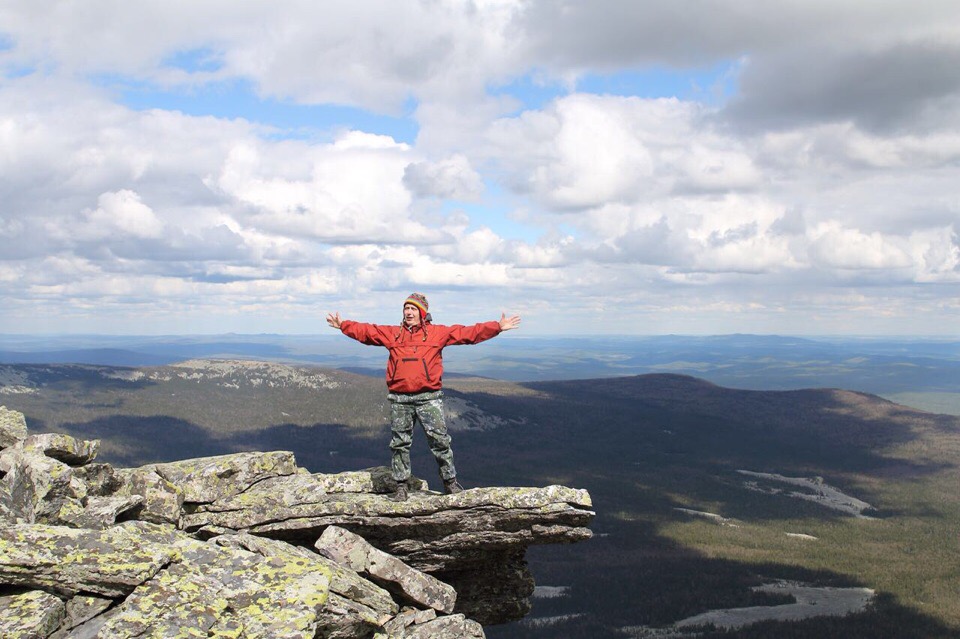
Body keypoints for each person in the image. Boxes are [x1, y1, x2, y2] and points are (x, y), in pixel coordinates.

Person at [326, 293, 521, 501]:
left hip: (429, 397)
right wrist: (343, 325)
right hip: (400, 398)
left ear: (422, 313)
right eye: (406, 309)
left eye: (413, 309)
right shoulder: (393, 334)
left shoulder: (437, 333)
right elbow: (367, 331)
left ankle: (450, 483)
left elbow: (467, 333)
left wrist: (497, 327)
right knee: (400, 443)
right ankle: (401, 486)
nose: (408, 313)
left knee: (440, 441)